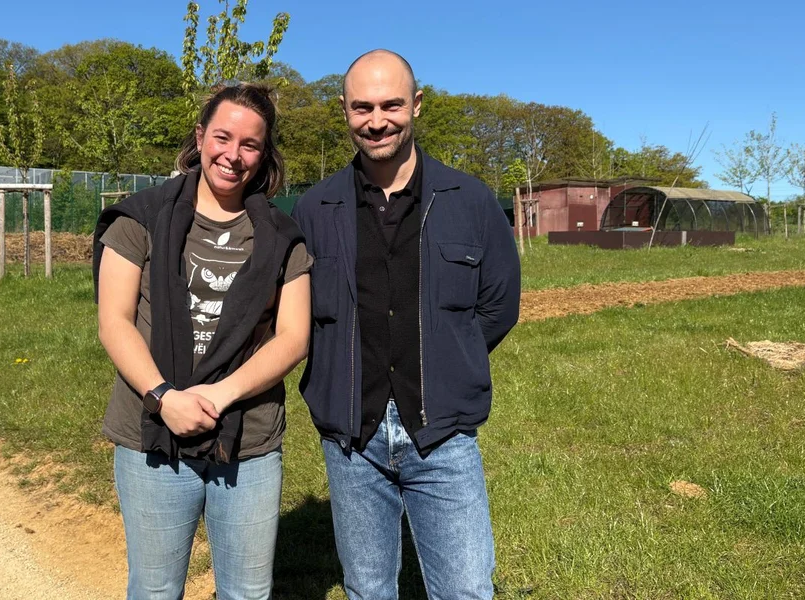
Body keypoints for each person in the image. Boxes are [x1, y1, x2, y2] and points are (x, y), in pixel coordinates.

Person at [291, 50, 521, 599]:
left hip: (442, 432)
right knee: (368, 590)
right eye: (362, 107)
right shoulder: (315, 209)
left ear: (416, 105)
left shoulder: (469, 200)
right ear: (344, 111)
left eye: (391, 104)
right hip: (353, 439)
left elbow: (498, 307)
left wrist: (447, 357)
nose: (377, 121)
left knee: (466, 590)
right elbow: (296, 319)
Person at [93, 83, 312, 600]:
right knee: (155, 589)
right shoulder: (139, 217)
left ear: (264, 154)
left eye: (250, 144)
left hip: (248, 442)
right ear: (200, 137)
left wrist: (221, 394)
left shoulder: (284, 236)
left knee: (248, 592)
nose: (233, 155)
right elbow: (115, 321)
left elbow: (294, 337)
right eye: (222, 137)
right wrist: (163, 396)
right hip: (152, 433)